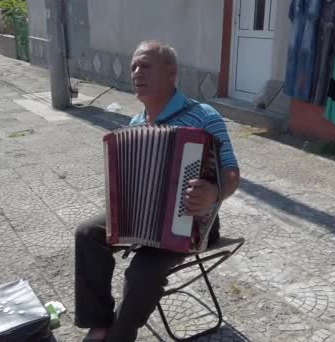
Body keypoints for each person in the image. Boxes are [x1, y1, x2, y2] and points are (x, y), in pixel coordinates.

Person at [74, 41, 241, 342]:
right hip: (141, 219)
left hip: (193, 221)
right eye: (133, 67)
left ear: (171, 72)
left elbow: (231, 172)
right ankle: (98, 323)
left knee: (141, 273)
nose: (137, 72)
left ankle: (118, 337)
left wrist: (214, 193)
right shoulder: (136, 124)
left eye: (145, 65)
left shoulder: (204, 115)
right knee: (87, 233)